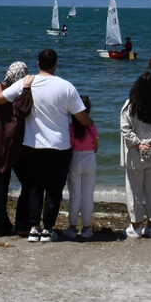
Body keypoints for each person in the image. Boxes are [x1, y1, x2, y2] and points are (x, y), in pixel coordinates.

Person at [0, 48, 92, 242]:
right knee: (54, 189)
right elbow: (81, 116)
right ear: (56, 64)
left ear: (38, 64)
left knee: (35, 187)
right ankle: (48, 228)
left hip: (33, 146)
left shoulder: (26, 83)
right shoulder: (66, 87)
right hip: (60, 147)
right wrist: (90, 123)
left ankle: (34, 227)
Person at [120, 72, 151, 239]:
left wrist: (139, 143)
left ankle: (135, 226)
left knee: (134, 190)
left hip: (135, 153)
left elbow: (125, 129)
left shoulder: (130, 106)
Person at [0, 60, 31, 237]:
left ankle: (0, 225)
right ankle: (22, 223)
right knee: (29, 183)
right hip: (19, 145)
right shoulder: (23, 95)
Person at [62, 95, 97, 240]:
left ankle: (72, 227)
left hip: (75, 158)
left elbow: (68, 146)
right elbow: (96, 147)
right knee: (88, 195)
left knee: (75, 195)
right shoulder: (91, 127)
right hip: (90, 158)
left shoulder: (70, 128)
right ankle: (87, 228)